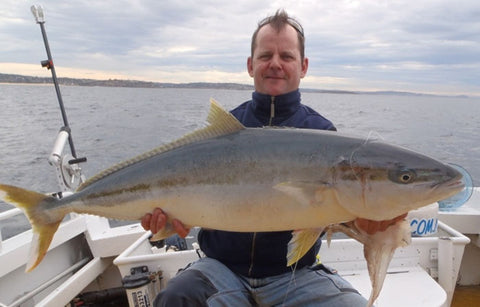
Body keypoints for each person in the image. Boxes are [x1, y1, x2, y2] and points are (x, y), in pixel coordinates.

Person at [141, 9, 405, 306]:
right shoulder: (224, 131)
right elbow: (191, 197)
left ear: (303, 66)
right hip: (221, 270)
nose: (275, 64)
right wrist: (170, 219)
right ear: (250, 64)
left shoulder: (322, 134)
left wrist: (371, 223)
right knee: (177, 297)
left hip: (294, 276)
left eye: (287, 56)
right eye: (266, 55)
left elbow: (338, 212)